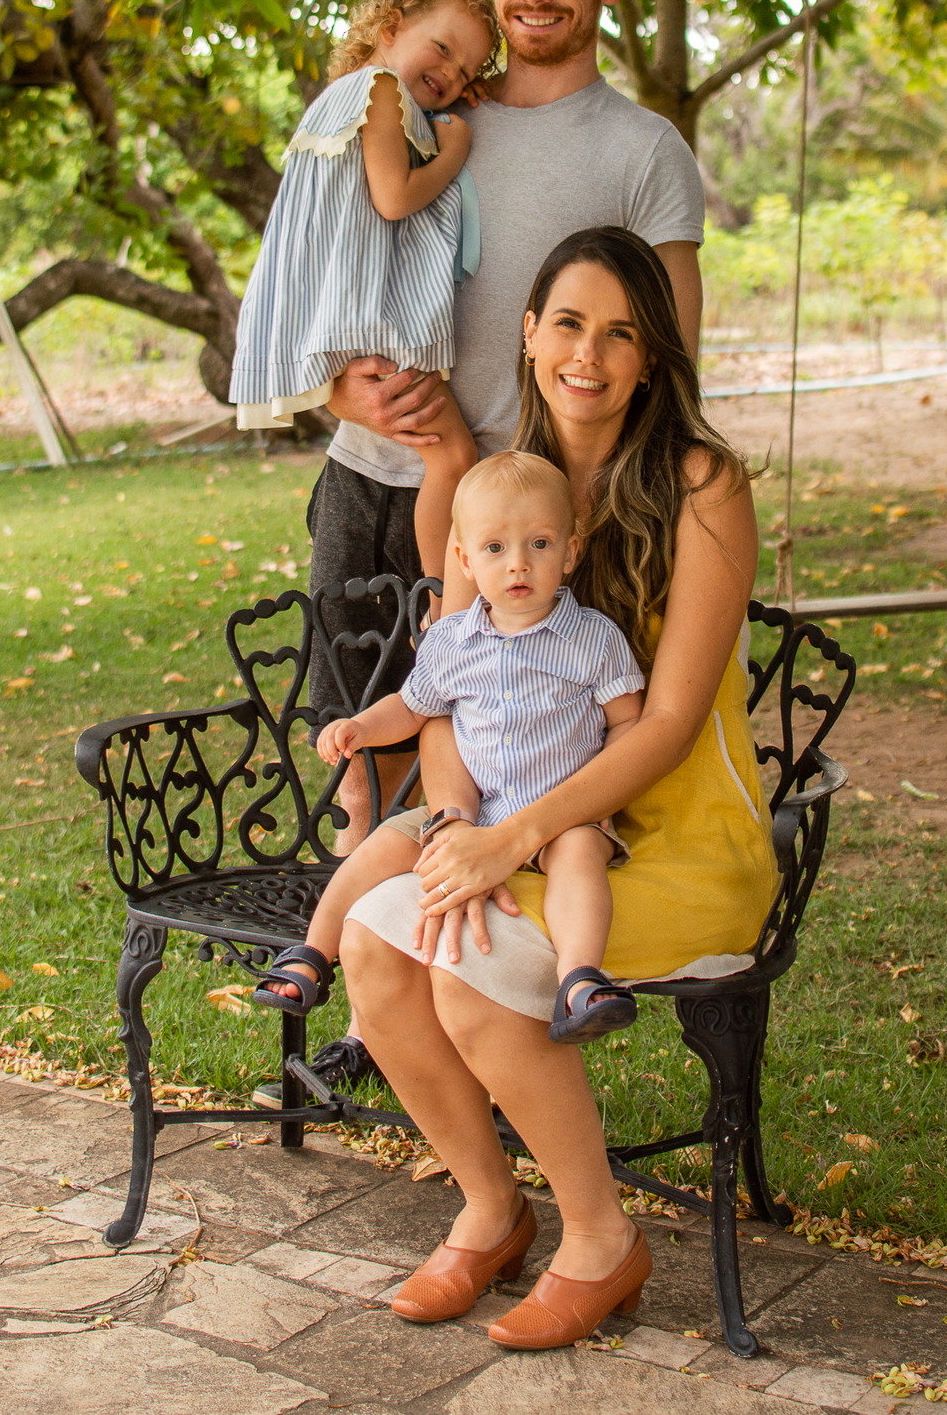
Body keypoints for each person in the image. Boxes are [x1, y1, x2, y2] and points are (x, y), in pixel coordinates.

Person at [330, 226, 778, 1348]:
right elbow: (443, 700)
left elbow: (669, 724)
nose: (592, 353)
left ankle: (599, 1239)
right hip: (506, 821)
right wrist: (459, 827)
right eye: (570, 323)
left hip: (669, 832)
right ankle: (490, 1209)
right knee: (377, 944)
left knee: (471, 976)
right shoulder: (495, 490)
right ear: (529, 336)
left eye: (622, 333)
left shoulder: (701, 485)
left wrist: (518, 833)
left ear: (652, 357)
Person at [296, 0, 705, 1093]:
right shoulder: (425, 112)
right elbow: (328, 264)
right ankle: (382, 1007)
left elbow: (671, 344)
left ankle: (476, 1004)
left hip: (525, 520)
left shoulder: (640, 149)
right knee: (368, 750)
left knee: (497, 738)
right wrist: (343, 398)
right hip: (381, 472)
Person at [252, 450, 645, 1043]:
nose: (518, 564)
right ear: (464, 558)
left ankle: (580, 979)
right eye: (495, 549)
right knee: (383, 844)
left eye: (539, 544)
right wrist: (361, 726)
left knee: (581, 857)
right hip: (470, 810)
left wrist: (596, 796)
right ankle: (311, 954)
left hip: (560, 812)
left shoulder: (593, 639)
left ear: (570, 551)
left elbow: (628, 724)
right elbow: (413, 707)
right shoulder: (452, 642)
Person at [229, 0, 498, 579]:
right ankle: (440, 600)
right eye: (444, 49)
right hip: (373, 323)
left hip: (346, 313)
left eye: (467, 72)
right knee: (453, 456)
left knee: (445, 457)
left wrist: (446, 101)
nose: (452, 76)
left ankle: (437, 595)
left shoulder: (346, 98)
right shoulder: (379, 92)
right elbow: (395, 197)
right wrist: (454, 149)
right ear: (390, 26)